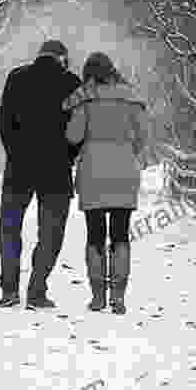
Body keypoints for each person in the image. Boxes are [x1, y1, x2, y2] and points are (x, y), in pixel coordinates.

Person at [0, 39, 82, 309]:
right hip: (55, 171)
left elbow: (4, 122)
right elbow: (79, 130)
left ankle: (9, 290)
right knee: (51, 233)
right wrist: (67, 157)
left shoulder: (16, 77)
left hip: (18, 169)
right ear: (63, 59)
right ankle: (36, 290)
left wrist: (15, 153)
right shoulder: (72, 83)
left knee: (10, 229)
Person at [63, 52, 148, 315]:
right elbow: (142, 137)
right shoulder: (130, 96)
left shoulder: (85, 98)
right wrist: (127, 151)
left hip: (93, 171)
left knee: (95, 236)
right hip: (124, 171)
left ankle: (98, 296)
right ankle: (119, 298)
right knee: (121, 235)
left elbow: (73, 135)